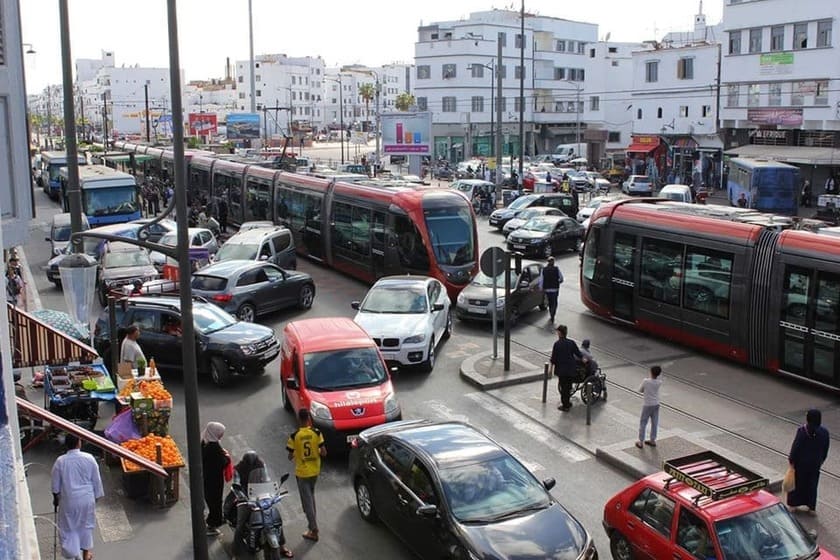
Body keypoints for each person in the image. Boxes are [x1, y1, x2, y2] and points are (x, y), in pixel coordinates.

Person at [226, 451, 294, 557]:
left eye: (254, 462)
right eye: (250, 462)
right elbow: (236, 484)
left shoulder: (261, 464)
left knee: (276, 521)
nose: (252, 464)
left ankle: (281, 547)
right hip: (246, 498)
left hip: (261, 496)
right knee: (240, 525)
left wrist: (271, 492)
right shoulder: (238, 469)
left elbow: (267, 479)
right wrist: (242, 497)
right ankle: (236, 551)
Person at [51, 433, 104, 560]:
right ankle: (86, 555)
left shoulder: (60, 461)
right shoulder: (89, 458)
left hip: (69, 500)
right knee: (85, 526)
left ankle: (76, 556)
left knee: (69, 528)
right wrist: (96, 496)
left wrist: (56, 499)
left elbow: (55, 487)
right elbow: (96, 480)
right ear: (79, 443)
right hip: (87, 498)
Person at [286, 408, 326, 542]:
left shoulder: (294, 435)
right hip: (315, 471)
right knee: (311, 498)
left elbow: (290, 456)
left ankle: (313, 530)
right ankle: (312, 524)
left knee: (307, 502)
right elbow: (324, 452)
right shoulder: (316, 433)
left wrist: (297, 452)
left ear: (299, 419)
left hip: (302, 473)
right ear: (309, 418)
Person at [787, 409, 830, 513]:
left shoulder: (802, 430)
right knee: (812, 484)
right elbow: (825, 449)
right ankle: (811, 507)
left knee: (797, 483)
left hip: (801, 464)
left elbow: (796, 447)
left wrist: (791, 460)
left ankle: (793, 504)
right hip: (815, 464)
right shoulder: (824, 432)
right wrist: (821, 460)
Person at [201, 421, 230, 536]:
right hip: (214, 479)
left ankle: (214, 520)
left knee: (212, 499)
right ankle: (212, 524)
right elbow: (221, 463)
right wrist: (226, 457)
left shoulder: (205, 441)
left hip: (207, 476)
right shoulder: (214, 448)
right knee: (215, 501)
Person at [550, 325, 584, 411]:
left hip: (561, 370)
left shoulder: (557, 344)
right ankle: (567, 403)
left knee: (563, 387)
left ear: (560, 333)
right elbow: (578, 353)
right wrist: (584, 359)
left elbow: (554, 358)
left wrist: (551, 369)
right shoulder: (571, 342)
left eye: (557, 331)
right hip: (571, 369)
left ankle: (565, 405)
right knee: (568, 386)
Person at [636, 366, 663, 449]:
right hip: (656, 404)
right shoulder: (659, 382)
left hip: (647, 404)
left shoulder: (646, 381)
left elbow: (640, 390)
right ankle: (652, 440)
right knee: (654, 422)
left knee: (643, 422)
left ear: (651, 372)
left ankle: (640, 441)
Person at [538, 257, 564, 323]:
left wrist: (541, 288)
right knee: (554, 302)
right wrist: (558, 281)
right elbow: (561, 278)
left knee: (549, 302)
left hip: (547, 289)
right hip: (555, 289)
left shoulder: (544, 270)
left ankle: (551, 313)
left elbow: (541, 280)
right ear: (553, 262)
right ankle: (553, 314)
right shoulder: (556, 269)